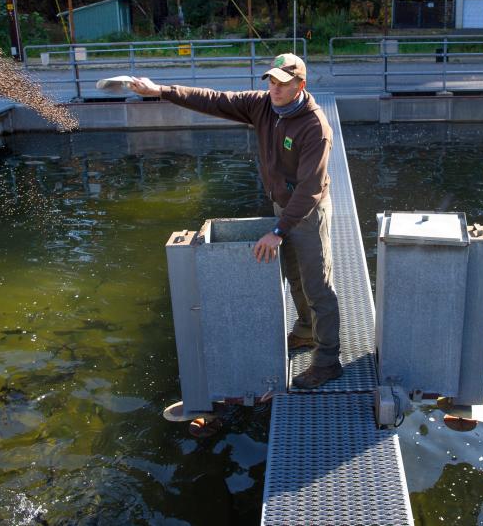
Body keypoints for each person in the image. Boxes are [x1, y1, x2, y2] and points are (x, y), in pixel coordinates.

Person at [128, 53, 342, 390]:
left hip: (307, 211)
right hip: (281, 205)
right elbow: (214, 100)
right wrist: (160, 90)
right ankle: (304, 330)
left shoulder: (315, 127)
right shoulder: (262, 106)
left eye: (282, 84)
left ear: (300, 85)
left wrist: (277, 231)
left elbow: (310, 189)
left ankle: (328, 360)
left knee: (318, 285)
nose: (274, 89)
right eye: (270, 81)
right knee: (295, 277)